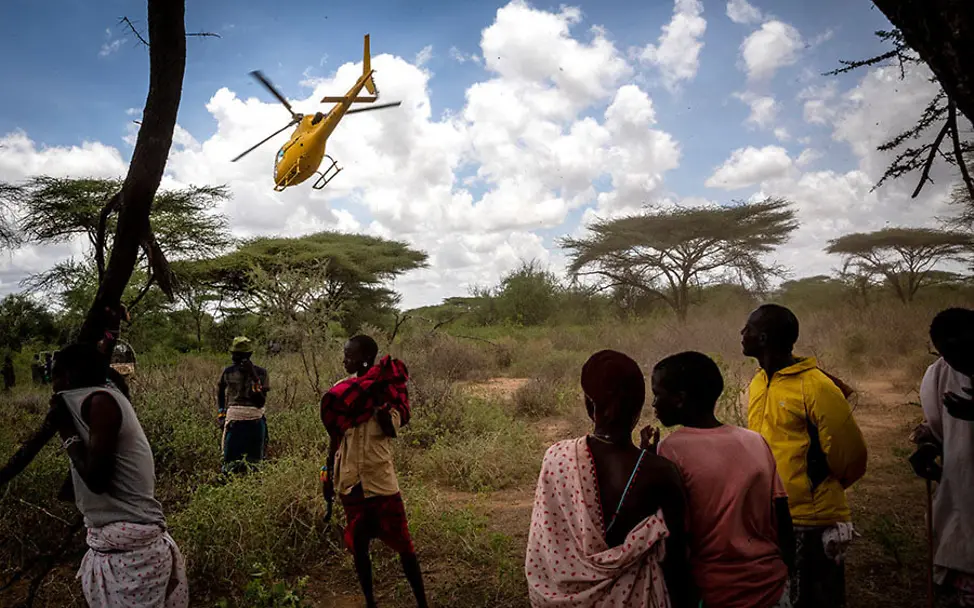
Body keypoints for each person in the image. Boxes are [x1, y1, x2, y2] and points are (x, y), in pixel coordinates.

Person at [0, 341, 188, 607]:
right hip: (118, 546)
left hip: (134, 550)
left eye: (55, 378)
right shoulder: (99, 396)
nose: (53, 388)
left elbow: (97, 480)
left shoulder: (100, 403)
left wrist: (68, 433)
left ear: (67, 377)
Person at [524, 349, 693, 608]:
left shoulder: (556, 457)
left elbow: (544, 546)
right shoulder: (662, 472)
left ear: (590, 404)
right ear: (638, 405)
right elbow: (676, 561)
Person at [742, 304, 868, 608]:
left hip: (811, 519)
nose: (742, 334)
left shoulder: (817, 386)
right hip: (771, 516)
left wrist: (815, 488)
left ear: (763, 338)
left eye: (748, 329)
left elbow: (851, 455)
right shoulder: (758, 382)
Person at [645, 351, 793, 608]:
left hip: (714, 592)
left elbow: (673, 539)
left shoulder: (671, 450)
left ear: (680, 399)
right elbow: (782, 517)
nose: (654, 404)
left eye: (658, 394)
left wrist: (647, 463)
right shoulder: (755, 441)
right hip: (772, 586)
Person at [321, 335, 428, 608]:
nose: (345, 360)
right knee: (359, 548)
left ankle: (422, 603)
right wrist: (326, 472)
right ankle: (370, 602)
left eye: (350, 355)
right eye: (345, 354)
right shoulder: (343, 391)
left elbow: (393, 427)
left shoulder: (387, 390)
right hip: (350, 480)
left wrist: (381, 412)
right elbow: (335, 437)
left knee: (405, 546)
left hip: (380, 480)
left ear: (366, 359)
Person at [909, 308, 974, 607]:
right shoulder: (940, 374)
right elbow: (939, 430)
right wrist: (929, 447)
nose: (956, 360)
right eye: (947, 353)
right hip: (961, 499)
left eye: (963, 350)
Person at [216, 336, 270, 474]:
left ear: (248, 355)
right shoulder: (228, 372)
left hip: (249, 421)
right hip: (239, 421)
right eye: (235, 354)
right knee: (232, 463)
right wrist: (221, 413)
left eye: (238, 355)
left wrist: (253, 376)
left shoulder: (260, 373)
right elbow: (220, 390)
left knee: (252, 464)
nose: (235, 358)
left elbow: (260, 401)